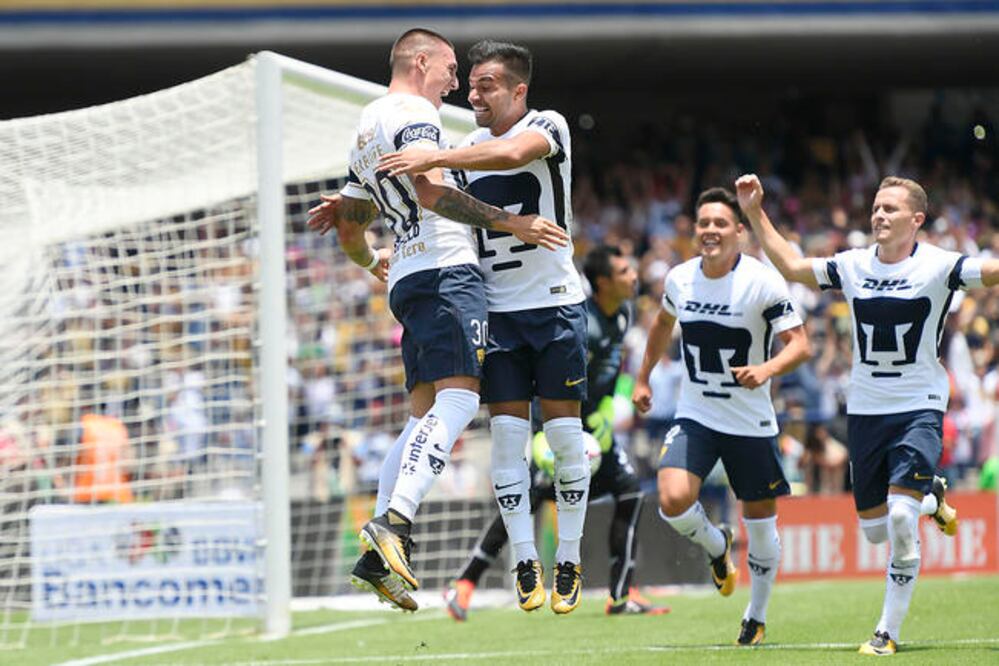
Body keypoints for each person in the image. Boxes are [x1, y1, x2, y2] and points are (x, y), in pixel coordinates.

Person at [306, 28, 567, 612]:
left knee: (421, 413)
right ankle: (393, 524)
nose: (456, 81)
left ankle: (379, 548)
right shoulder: (416, 114)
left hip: (407, 279)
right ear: (421, 61)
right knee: (458, 403)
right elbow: (433, 194)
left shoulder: (367, 125)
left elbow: (349, 224)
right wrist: (512, 222)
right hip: (449, 270)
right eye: (450, 68)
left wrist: (373, 261)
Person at [378, 40, 590, 614]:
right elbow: (436, 200)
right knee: (507, 443)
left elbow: (510, 154)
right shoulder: (464, 144)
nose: (473, 94)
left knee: (568, 441)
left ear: (519, 90)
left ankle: (568, 555)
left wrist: (435, 159)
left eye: (487, 85)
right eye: (469, 84)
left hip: (554, 305)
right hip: (496, 313)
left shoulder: (548, 125)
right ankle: (524, 559)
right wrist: (363, 204)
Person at [735, 173, 981, 656]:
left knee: (900, 520)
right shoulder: (851, 265)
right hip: (866, 411)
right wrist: (753, 211)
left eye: (890, 208)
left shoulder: (941, 265)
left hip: (919, 408)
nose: (879, 215)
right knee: (875, 530)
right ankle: (931, 495)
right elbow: (790, 264)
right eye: (876, 207)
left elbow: (990, 271)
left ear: (917, 219)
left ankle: (886, 632)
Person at [442, 245, 670, 620]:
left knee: (629, 491)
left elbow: (607, 378)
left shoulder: (624, 313)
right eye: (624, 271)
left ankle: (621, 593)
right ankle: (465, 584)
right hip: (560, 432)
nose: (634, 276)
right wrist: (540, 432)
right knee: (524, 499)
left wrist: (608, 410)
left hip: (598, 432)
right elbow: (552, 387)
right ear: (603, 282)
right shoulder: (583, 322)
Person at [632, 187, 812, 646]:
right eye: (703, 222)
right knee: (671, 498)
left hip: (750, 422)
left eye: (720, 223)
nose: (710, 230)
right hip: (697, 414)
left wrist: (766, 370)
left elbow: (800, 344)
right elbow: (661, 325)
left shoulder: (762, 282)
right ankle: (717, 545)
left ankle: (756, 615)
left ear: (739, 231)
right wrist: (643, 377)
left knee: (762, 525)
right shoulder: (679, 279)